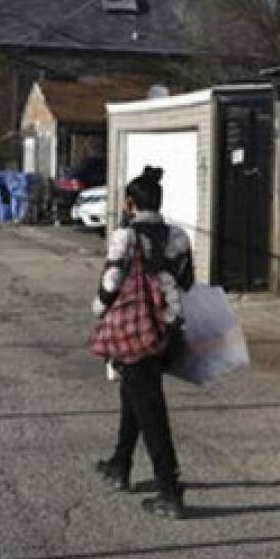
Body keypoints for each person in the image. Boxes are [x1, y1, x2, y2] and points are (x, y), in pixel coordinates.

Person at [92, 166, 194, 518]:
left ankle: (170, 489)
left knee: (150, 410)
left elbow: (111, 280)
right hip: (167, 331)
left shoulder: (127, 235)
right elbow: (188, 282)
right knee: (134, 395)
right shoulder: (178, 236)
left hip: (134, 332)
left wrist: (99, 309)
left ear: (131, 203)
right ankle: (119, 464)